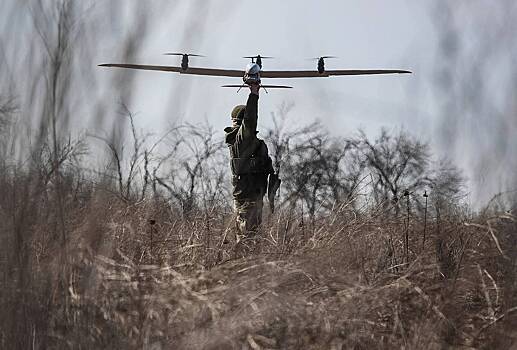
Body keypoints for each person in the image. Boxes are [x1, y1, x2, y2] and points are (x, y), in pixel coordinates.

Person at [224, 83, 280, 236]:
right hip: (247, 199)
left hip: (252, 199)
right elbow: (250, 120)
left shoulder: (245, 142)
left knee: (250, 238)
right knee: (247, 239)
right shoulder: (242, 140)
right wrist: (254, 94)